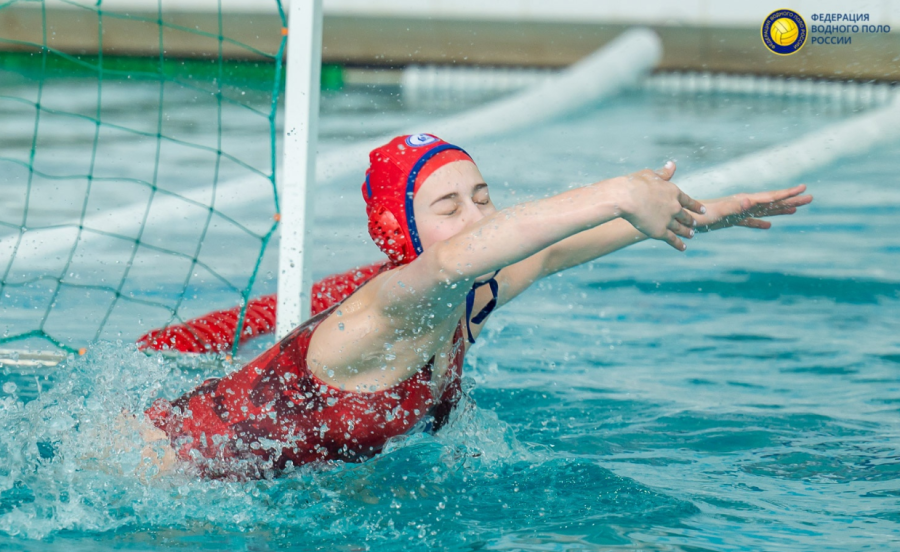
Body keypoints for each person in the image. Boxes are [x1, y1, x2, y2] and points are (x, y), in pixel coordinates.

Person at [135, 133, 813, 480]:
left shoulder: (470, 301)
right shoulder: (385, 308)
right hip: (157, 474)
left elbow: (546, 252)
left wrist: (706, 214)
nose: (476, 215)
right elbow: (458, 257)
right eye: (447, 205)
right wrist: (616, 191)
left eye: (482, 197)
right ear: (405, 232)